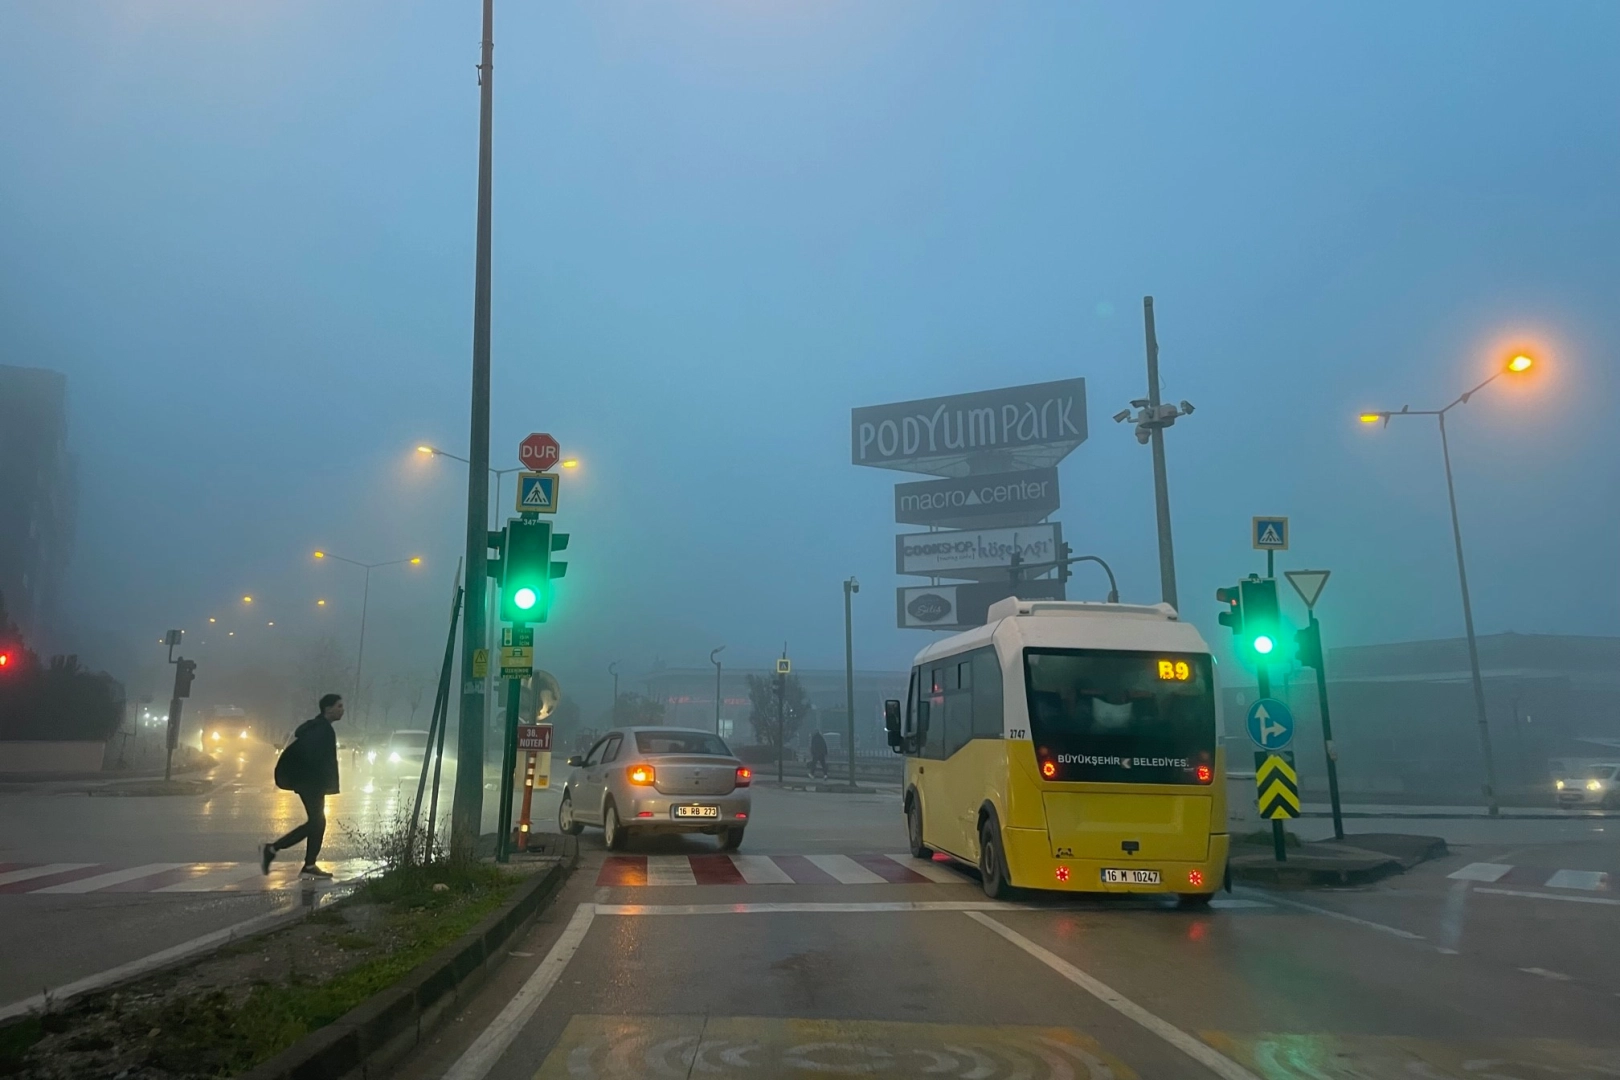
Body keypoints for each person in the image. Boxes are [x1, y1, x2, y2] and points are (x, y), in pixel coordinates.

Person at [262, 693, 343, 878]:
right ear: (328, 709)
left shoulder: (319, 727)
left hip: (311, 783)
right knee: (317, 822)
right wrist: (318, 782)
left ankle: (308, 865)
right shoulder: (321, 730)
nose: (342, 710)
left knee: (318, 822)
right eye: (339, 706)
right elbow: (313, 758)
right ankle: (274, 849)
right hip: (311, 783)